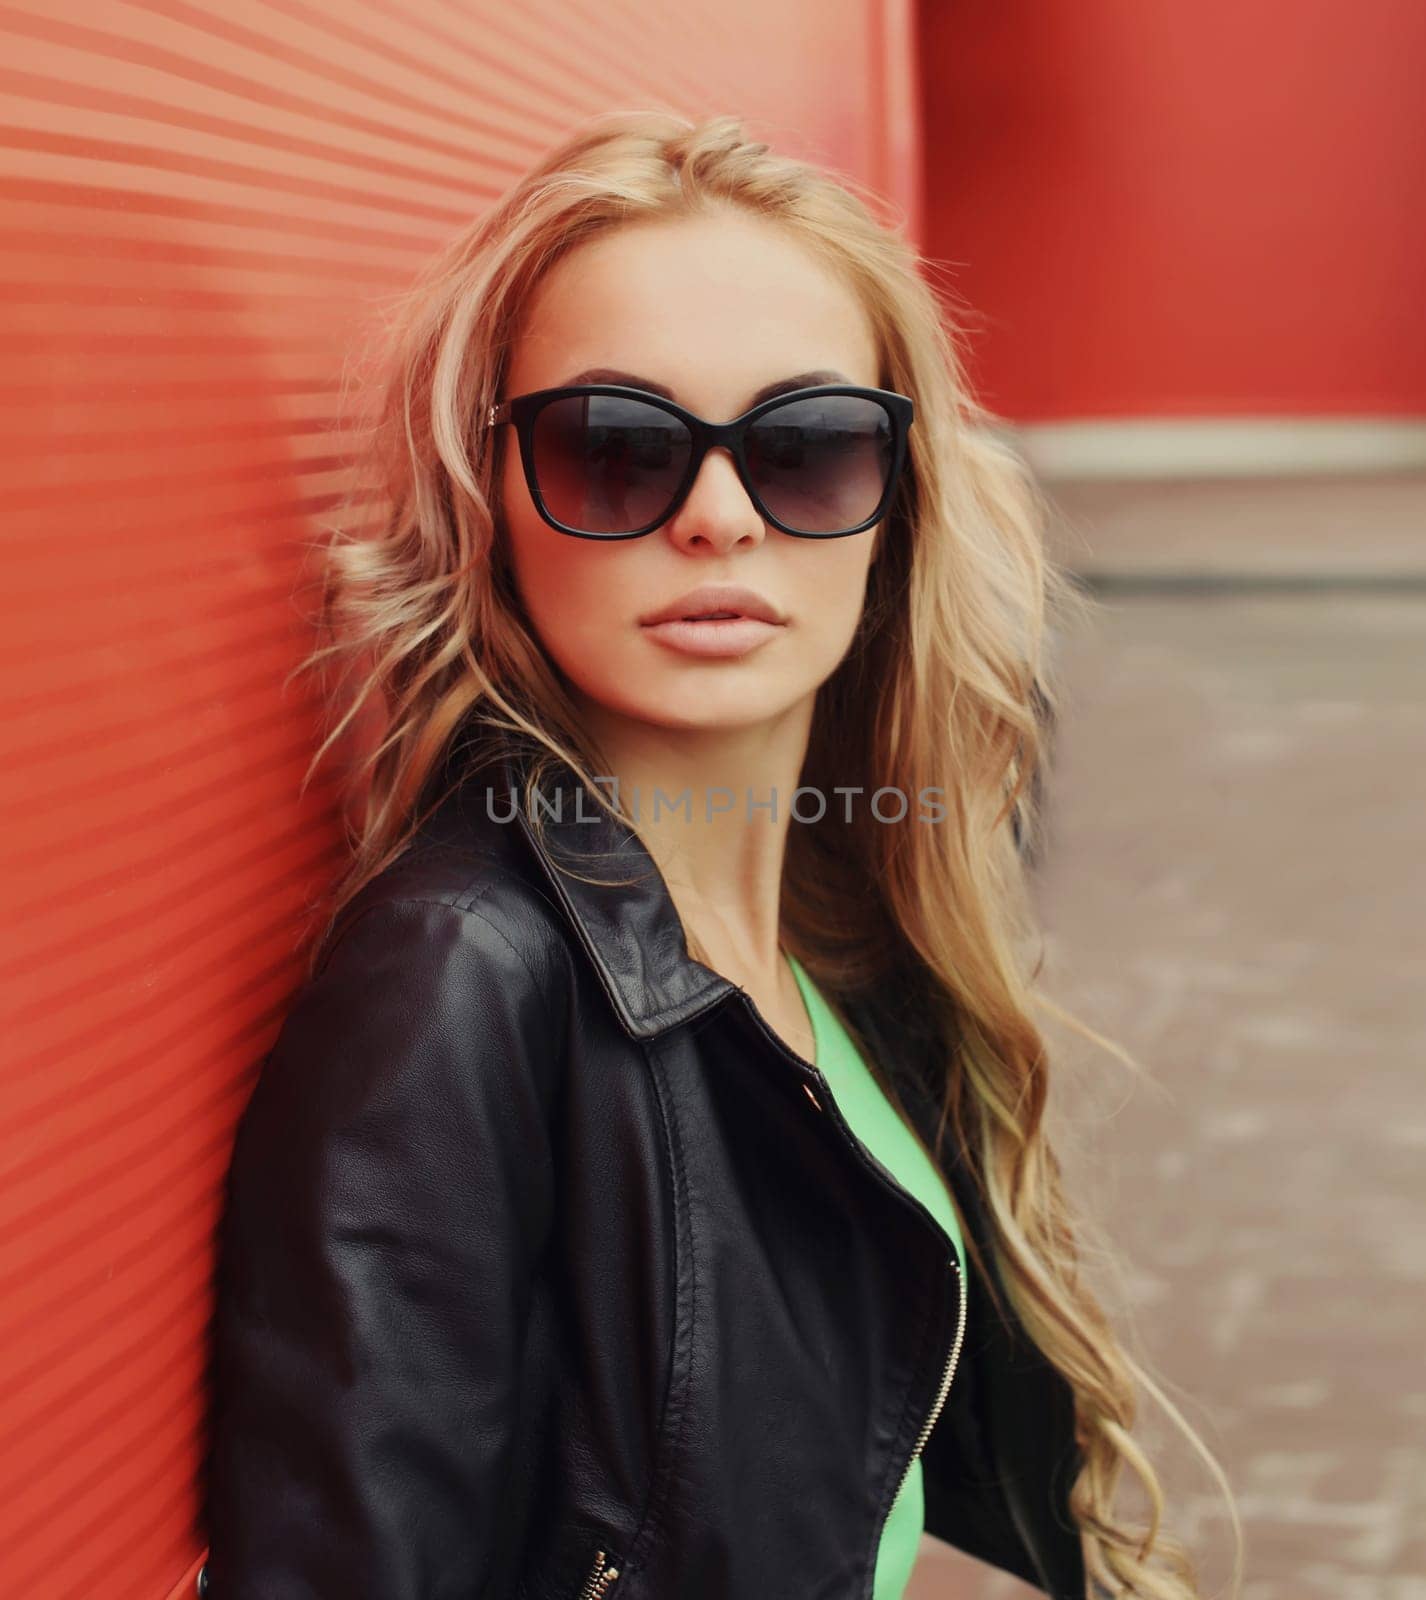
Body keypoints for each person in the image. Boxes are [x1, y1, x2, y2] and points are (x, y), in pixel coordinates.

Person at [199, 110, 1240, 1599]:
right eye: (612, 448)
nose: (716, 518)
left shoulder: (862, 928)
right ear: (492, 500)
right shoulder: (458, 984)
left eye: (806, 448)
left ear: (896, 505)